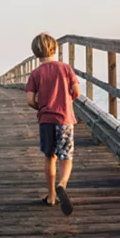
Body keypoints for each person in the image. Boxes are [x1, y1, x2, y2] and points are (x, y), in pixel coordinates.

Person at [25, 32, 80, 215]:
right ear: (55, 49)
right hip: (65, 119)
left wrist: (41, 107)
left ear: (35, 53)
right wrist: (67, 101)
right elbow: (77, 91)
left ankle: (51, 196)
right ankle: (62, 184)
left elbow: (30, 100)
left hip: (46, 120)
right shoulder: (65, 68)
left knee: (50, 157)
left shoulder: (35, 73)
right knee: (66, 157)